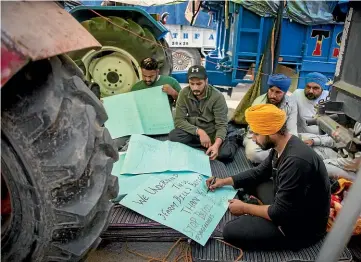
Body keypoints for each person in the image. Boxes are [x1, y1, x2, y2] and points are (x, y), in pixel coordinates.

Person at [206, 104, 330, 250]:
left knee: (230, 231)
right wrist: (223, 181)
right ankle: (261, 212)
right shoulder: (282, 145)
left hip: (300, 229)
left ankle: (267, 222)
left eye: (256, 133)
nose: (252, 138)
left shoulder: (296, 161)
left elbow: (280, 213)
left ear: (272, 132)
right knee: (252, 181)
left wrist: (245, 207)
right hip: (292, 204)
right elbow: (259, 173)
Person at [169, 65, 241, 163]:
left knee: (225, 155)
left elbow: (221, 125)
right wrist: (200, 132)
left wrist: (216, 145)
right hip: (196, 131)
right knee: (174, 136)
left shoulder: (217, 97)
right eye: (192, 84)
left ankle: (233, 137)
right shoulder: (183, 93)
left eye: (199, 84)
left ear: (206, 81)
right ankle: (205, 144)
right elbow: (178, 120)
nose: (195, 88)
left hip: (213, 131)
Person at [243, 74, 298, 164]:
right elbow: (253, 130)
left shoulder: (291, 104)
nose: (273, 95)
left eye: (278, 92)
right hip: (259, 137)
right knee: (253, 154)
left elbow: (292, 129)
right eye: (271, 90)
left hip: (281, 138)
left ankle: (279, 159)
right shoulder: (259, 102)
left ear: (285, 92)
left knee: (296, 149)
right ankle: (281, 160)